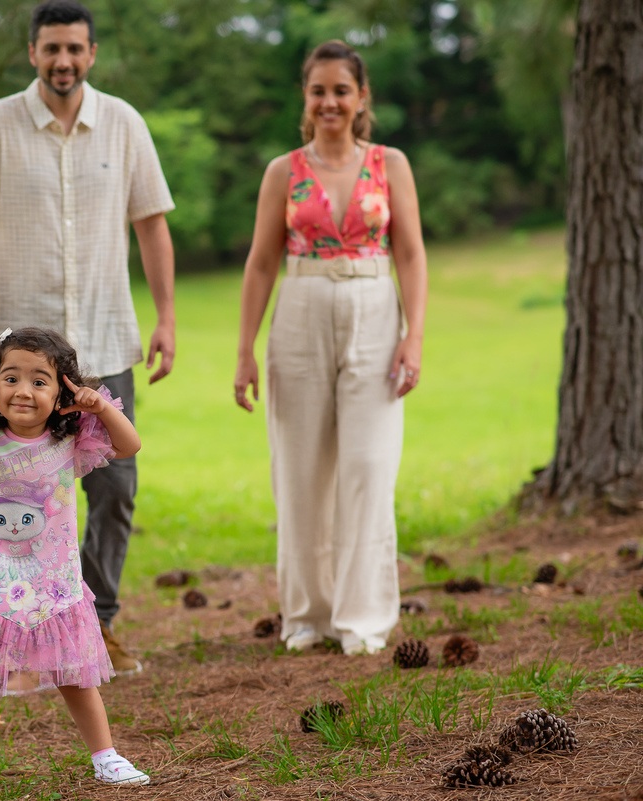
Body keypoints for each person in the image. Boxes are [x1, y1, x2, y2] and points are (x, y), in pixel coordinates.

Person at [0, 0, 176, 675]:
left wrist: (165, 316)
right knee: (18, 495)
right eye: (51, 49)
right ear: (33, 52)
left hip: (103, 344)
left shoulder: (124, 125)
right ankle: (19, 628)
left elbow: (152, 223)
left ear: (92, 53)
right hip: (19, 358)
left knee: (114, 488)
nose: (63, 61)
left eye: (75, 48)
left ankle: (96, 625)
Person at [233, 40, 428, 657]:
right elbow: (262, 263)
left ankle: (364, 619)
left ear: (362, 97)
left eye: (341, 90)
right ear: (305, 97)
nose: (330, 102)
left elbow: (412, 254)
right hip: (300, 310)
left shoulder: (390, 164)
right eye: (318, 90)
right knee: (301, 468)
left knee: (369, 466)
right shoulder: (282, 171)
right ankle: (308, 615)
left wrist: (414, 335)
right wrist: (244, 349)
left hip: (375, 308)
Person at [0, 327, 150, 800]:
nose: (24, 390)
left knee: (76, 677)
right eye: (11, 378)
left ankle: (106, 756)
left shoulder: (72, 437)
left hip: (54, 585)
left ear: (63, 392)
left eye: (41, 381)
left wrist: (98, 405)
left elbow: (129, 446)